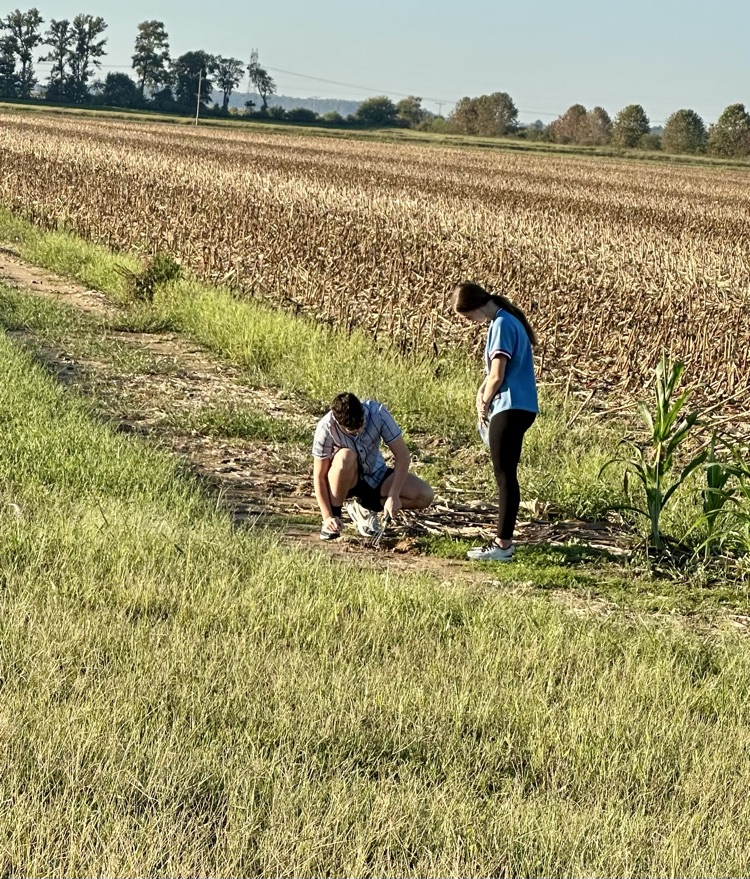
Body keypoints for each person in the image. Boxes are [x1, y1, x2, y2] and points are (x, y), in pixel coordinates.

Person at [452, 281, 538, 562]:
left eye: (467, 317)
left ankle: (503, 545)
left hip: (510, 406)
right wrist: (483, 391)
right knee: (506, 474)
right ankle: (503, 543)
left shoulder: (501, 324)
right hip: (522, 405)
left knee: (504, 475)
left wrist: (484, 402)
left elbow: (498, 375)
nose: (469, 322)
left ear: (476, 306)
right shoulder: (508, 320)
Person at [312, 392, 434, 540]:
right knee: (346, 457)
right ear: (339, 423)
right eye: (352, 430)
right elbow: (319, 477)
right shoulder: (325, 427)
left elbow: (403, 456)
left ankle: (365, 508)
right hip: (344, 480)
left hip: (375, 474)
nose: (359, 431)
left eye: (362, 423)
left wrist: (393, 495)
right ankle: (335, 519)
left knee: (425, 495)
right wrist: (327, 517)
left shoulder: (378, 413)